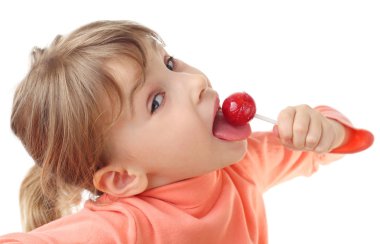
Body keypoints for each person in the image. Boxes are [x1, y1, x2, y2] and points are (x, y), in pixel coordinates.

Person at [0, 20, 373, 244]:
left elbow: (350, 142)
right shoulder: (125, 226)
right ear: (121, 177)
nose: (194, 82)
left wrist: (323, 130)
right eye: (156, 101)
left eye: (170, 62)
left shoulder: (240, 168)